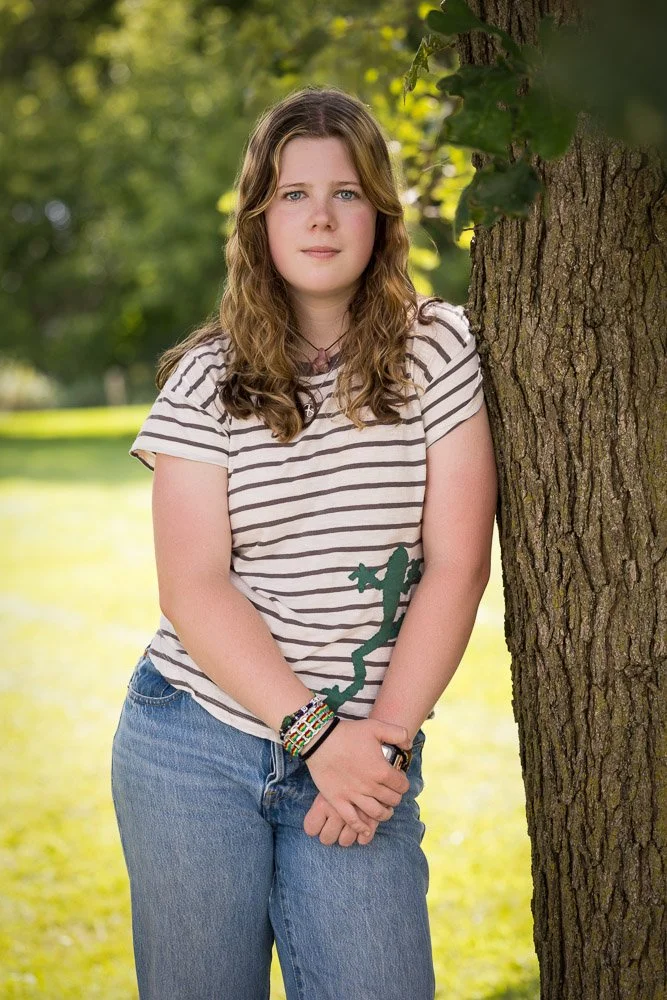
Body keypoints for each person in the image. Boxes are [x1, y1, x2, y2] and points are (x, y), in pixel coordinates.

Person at [111, 85, 498, 1000]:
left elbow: (457, 564)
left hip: (368, 757)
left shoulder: (438, 348)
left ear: (380, 214)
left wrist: (381, 746)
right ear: (258, 219)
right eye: (293, 194)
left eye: (346, 192)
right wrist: (318, 735)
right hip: (192, 745)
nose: (320, 217)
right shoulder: (204, 378)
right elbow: (195, 590)